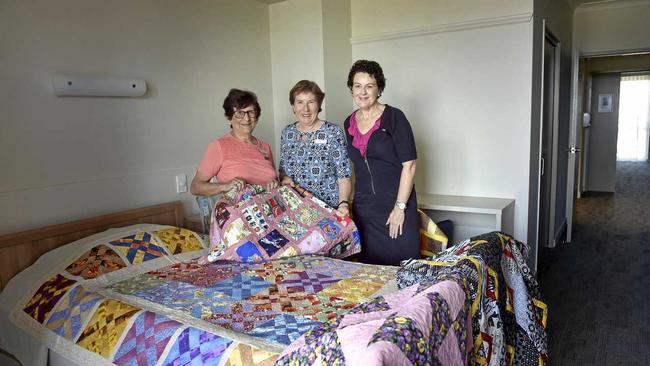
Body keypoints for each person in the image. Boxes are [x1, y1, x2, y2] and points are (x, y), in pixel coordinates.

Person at [343, 60, 419, 265]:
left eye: (369, 86)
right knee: (370, 273)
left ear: (379, 88)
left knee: (403, 267)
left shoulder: (395, 117)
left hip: (395, 203)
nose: (363, 92)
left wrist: (400, 208)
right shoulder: (348, 122)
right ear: (351, 89)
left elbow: (409, 165)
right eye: (357, 86)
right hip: (364, 208)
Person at [279, 80, 352, 215]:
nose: (305, 109)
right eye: (300, 102)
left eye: (311, 102)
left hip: (328, 209)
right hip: (295, 210)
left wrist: (343, 204)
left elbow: (344, 175)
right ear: (293, 106)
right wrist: (284, 178)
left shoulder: (333, 132)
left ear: (318, 105)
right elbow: (283, 169)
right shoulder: (287, 133)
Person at [190, 89, 279, 197]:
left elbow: (275, 182)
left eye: (251, 112)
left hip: (270, 211)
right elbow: (195, 187)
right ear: (229, 118)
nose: (246, 118)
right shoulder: (218, 146)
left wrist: (274, 183)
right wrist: (224, 186)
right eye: (240, 113)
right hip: (237, 212)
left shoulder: (265, 147)